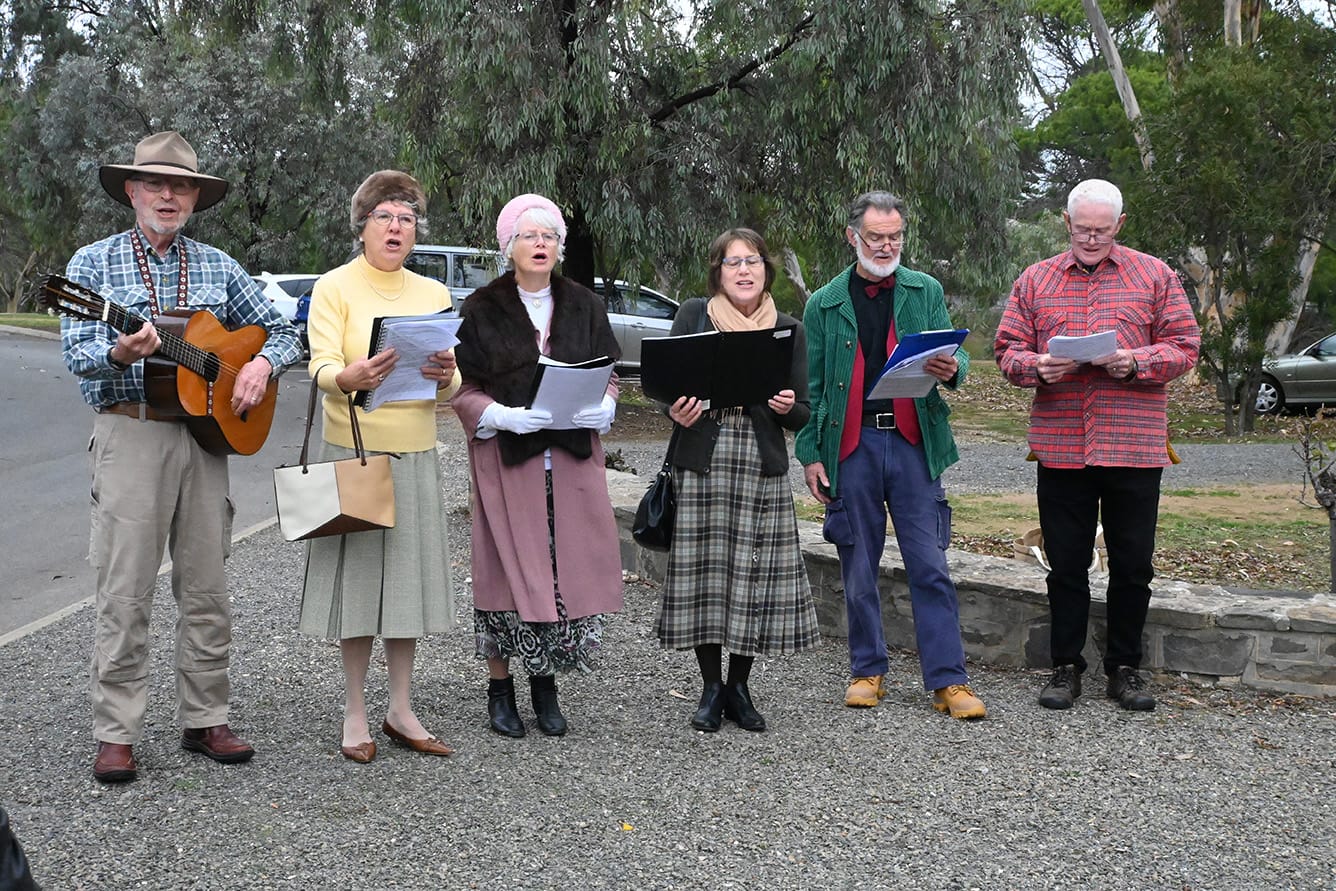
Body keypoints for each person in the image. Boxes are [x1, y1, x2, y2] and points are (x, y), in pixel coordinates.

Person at [61, 131, 302, 782]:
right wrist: (121, 351)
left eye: (182, 185)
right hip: (131, 429)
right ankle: (115, 732)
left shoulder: (221, 267)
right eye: (156, 184)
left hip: (205, 441)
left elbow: (288, 330)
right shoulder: (92, 266)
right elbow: (79, 355)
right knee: (124, 587)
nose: (169, 195)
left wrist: (258, 364)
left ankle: (206, 717)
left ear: (195, 197)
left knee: (207, 585)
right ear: (132, 191)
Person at [994, 178, 1200, 712]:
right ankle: (1065, 667)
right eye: (1083, 229)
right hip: (1061, 445)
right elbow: (1007, 352)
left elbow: (1185, 346)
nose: (1091, 239)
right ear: (1066, 223)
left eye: (1102, 231)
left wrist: (1137, 362)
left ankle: (1125, 669)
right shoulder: (1035, 280)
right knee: (1065, 563)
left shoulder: (1155, 275)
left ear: (1120, 226)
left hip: (1133, 445)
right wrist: (1036, 366)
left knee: (1133, 565)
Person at [794, 190, 986, 720]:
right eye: (876, 237)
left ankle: (948, 680)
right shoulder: (824, 303)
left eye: (895, 236)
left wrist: (956, 368)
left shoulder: (925, 289)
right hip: (851, 446)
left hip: (911, 443)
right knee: (858, 564)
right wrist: (811, 454)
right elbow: (810, 385)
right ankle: (867, 669)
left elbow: (955, 353)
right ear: (852, 236)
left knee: (930, 564)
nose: (886, 245)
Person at [299, 170, 461, 762]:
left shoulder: (432, 293)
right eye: (385, 216)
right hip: (356, 451)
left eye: (407, 218)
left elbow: (450, 376)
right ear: (362, 225)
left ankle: (400, 706)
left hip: (414, 451)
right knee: (361, 584)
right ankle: (354, 710)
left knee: (407, 584)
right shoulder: (334, 287)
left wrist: (449, 375)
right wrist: (347, 377)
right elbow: (318, 366)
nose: (397, 227)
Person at [452, 193, 623, 738]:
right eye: (529, 236)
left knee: (558, 575)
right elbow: (464, 389)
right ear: (509, 247)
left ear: (561, 247)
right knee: (502, 573)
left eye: (549, 236)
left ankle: (545, 685)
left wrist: (608, 405)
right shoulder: (482, 308)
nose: (540, 244)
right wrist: (499, 415)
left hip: (568, 462)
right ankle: (500, 690)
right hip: (510, 461)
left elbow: (609, 372)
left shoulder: (584, 306)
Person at [655, 228, 820, 732]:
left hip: (760, 464)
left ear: (766, 269)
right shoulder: (693, 315)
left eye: (752, 261)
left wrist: (789, 408)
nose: (743, 270)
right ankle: (709, 687)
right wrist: (675, 410)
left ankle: (740, 687)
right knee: (705, 574)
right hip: (703, 459)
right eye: (732, 263)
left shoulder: (789, 326)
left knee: (752, 576)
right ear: (718, 272)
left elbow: (803, 413)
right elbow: (666, 387)